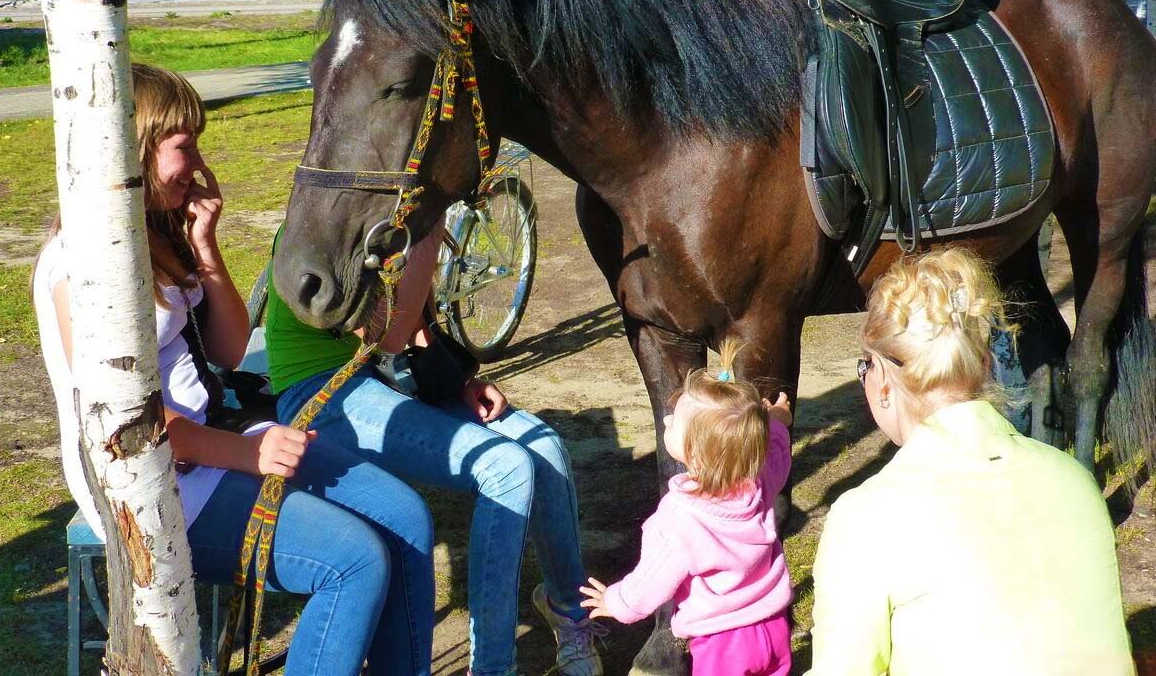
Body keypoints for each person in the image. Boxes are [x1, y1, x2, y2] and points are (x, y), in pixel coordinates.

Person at [33, 64, 435, 676]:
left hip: (211, 445)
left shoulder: (154, 232)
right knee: (353, 561)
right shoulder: (88, 266)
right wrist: (247, 454)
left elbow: (226, 348)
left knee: (405, 516)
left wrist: (206, 244)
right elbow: (128, 423)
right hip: (153, 487)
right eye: (182, 145)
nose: (196, 163)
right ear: (134, 148)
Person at [267, 223, 602, 676]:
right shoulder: (329, 222)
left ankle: (569, 611)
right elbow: (383, 335)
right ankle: (492, 667)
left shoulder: (394, 221)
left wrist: (459, 381)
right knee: (506, 466)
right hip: (321, 393)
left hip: (381, 380)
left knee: (544, 446)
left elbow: (414, 334)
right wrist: (425, 238)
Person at [807, 247, 1134, 675]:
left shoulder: (864, 517)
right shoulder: (1075, 480)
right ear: (983, 364)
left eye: (864, 368)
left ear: (883, 381)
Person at [578, 338, 795, 676]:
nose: (666, 422)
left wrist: (615, 602)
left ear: (695, 452)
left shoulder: (679, 518)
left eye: (674, 422)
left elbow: (652, 582)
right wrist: (778, 424)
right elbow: (776, 455)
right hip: (773, 625)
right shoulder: (759, 483)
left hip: (722, 643)